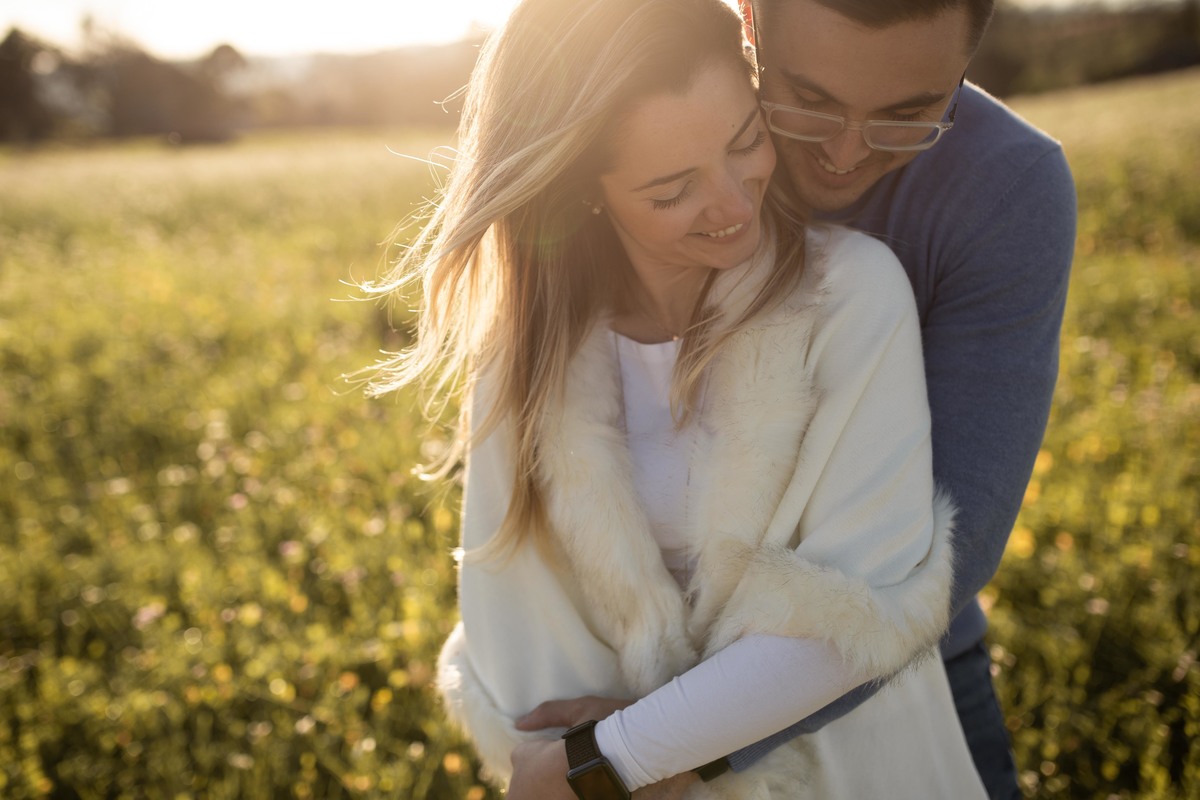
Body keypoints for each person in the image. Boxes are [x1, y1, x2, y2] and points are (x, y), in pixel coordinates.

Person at [365, 0, 992, 797]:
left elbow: (853, 614)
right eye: (671, 191)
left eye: (746, 142)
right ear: (584, 189)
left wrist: (617, 756)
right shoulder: (526, 351)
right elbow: (515, 627)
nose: (735, 206)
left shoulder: (854, 298)